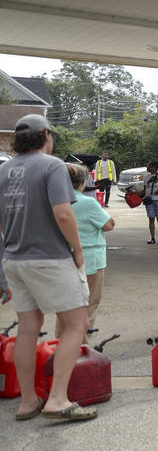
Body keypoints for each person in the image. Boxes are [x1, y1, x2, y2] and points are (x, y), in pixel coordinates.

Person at [1, 114, 97, 420]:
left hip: (15, 259)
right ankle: (57, 399)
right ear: (45, 135)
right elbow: (64, 214)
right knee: (76, 324)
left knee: (28, 328)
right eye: (51, 135)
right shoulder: (52, 165)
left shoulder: (3, 170)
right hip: (50, 258)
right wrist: (78, 250)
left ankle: (28, 401)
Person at [64, 163, 114, 337]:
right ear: (84, 181)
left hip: (64, 259)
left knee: (67, 308)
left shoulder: (56, 202)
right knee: (88, 305)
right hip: (90, 259)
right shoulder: (87, 202)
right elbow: (108, 225)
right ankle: (81, 348)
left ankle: (60, 345)